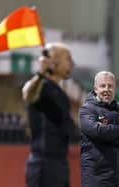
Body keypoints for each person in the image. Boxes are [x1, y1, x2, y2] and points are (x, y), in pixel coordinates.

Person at [22, 42, 79, 187]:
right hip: (43, 166)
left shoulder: (60, 93)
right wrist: (41, 74)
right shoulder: (40, 88)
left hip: (59, 165)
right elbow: (28, 93)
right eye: (68, 59)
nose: (72, 64)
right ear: (55, 62)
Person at [79, 71, 119, 187]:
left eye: (110, 86)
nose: (107, 89)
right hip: (96, 180)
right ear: (95, 89)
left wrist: (108, 135)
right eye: (103, 86)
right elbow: (97, 131)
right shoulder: (87, 110)